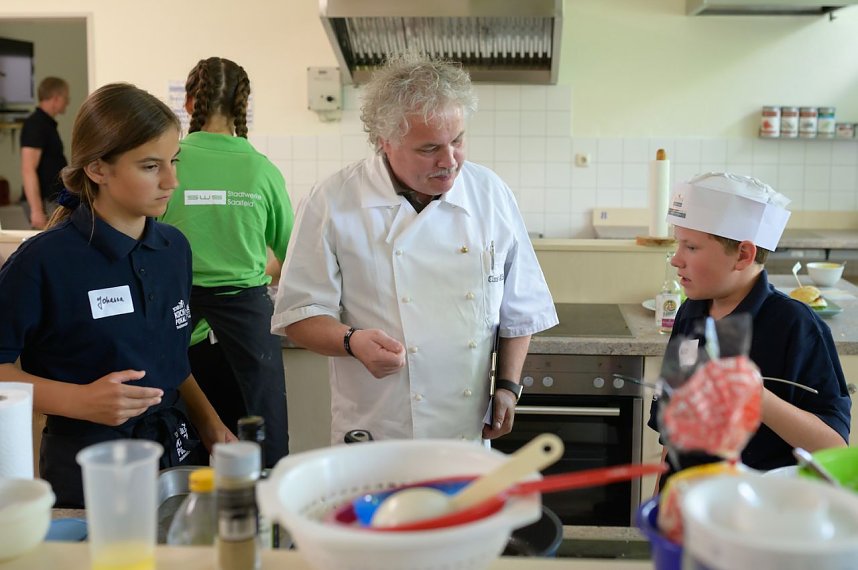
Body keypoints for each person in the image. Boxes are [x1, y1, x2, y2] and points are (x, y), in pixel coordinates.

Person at [271, 52, 558, 445]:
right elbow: (298, 315)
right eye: (429, 149)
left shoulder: (490, 194)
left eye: (458, 140)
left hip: (464, 430)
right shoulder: (333, 200)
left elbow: (520, 308)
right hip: (379, 428)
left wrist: (507, 386)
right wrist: (352, 341)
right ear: (385, 142)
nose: (450, 160)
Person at [0, 83, 236, 507]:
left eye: (173, 161)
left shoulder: (174, 249)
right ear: (97, 170)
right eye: (150, 166)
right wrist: (80, 400)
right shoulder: (43, 261)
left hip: (176, 459)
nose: (172, 181)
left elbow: (172, 362)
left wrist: (210, 424)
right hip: (88, 469)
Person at [648, 172, 850, 486]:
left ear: (743, 254)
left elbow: (833, 446)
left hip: (764, 511)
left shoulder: (796, 326)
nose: (676, 259)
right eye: (678, 244)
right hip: (691, 503)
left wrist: (756, 397)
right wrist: (664, 496)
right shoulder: (691, 312)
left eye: (691, 247)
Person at [160, 57, 293, 467]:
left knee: (168, 401)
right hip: (246, 305)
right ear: (243, 104)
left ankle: (177, 491)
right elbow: (293, 254)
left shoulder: (169, 162)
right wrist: (255, 265)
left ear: (188, 101)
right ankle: (269, 502)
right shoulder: (261, 170)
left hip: (175, 303)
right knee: (265, 412)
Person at [20, 76, 70, 229]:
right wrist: (36, 210)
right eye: (66, 98)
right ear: (56, 98)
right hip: (43, 203)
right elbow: (28, 169)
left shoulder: (46, 125)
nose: (68, 102)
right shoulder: (35, 124)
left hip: (52, 200)